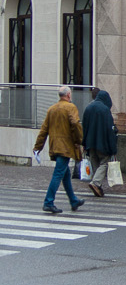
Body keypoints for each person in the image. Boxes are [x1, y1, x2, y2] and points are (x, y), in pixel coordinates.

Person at [34, 86, 85, 214]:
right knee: (58, 174)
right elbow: (75, 123)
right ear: (68, 95)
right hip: (65, 147)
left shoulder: (51, 109)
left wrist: (37, 147)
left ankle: (73, 200)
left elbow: (44, 130)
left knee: (65, 174)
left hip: (54, 146)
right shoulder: (71, 107)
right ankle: (48, 202)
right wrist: (80, 140)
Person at [81, 88, 117, 198]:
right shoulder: (105, 110)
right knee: (104, 163)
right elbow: (109, 130)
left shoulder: (88, 108)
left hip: (90, 143)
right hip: (102, 143)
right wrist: (113, 148)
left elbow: (84, 127)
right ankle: (96, 183)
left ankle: (97, 185)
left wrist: (84, 143)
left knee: (95, 163)